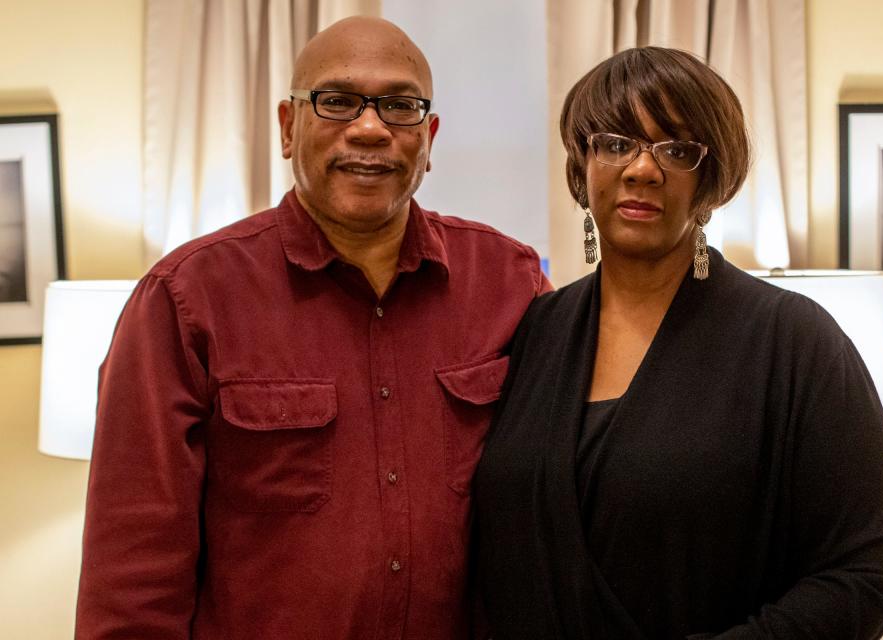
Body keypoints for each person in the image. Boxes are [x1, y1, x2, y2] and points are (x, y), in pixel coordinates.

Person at [76, 16, 547, 639]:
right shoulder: (185, 299)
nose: (371, 129)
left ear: (428, 138)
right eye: (338, 101)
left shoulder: (511, 285)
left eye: (400, 106)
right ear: (288, 127)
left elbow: (554, 514)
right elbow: (132, 578)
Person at [473, 46, 883, 640]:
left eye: (676, 150)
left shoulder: (794, 343)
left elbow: (871, 569)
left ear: (709, 180)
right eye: (615, 142)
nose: (642, 170)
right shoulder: (532, 334)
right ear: (583, 164)